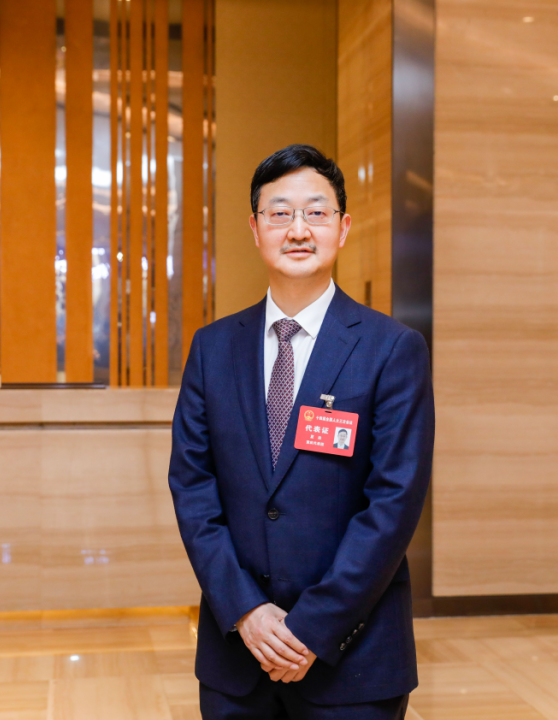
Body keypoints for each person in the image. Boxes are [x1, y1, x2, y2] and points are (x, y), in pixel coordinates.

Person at [169, 144, 435, 719]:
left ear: (343, 227)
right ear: (255, 228)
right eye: (279, 213)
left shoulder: (393, 350)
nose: (298, 230)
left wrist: (313, 627)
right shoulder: (212, 349)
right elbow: (192, 489)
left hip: (354, 658)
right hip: (237, 656)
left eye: (316, 213)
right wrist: (245, 610)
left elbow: (393, 503)